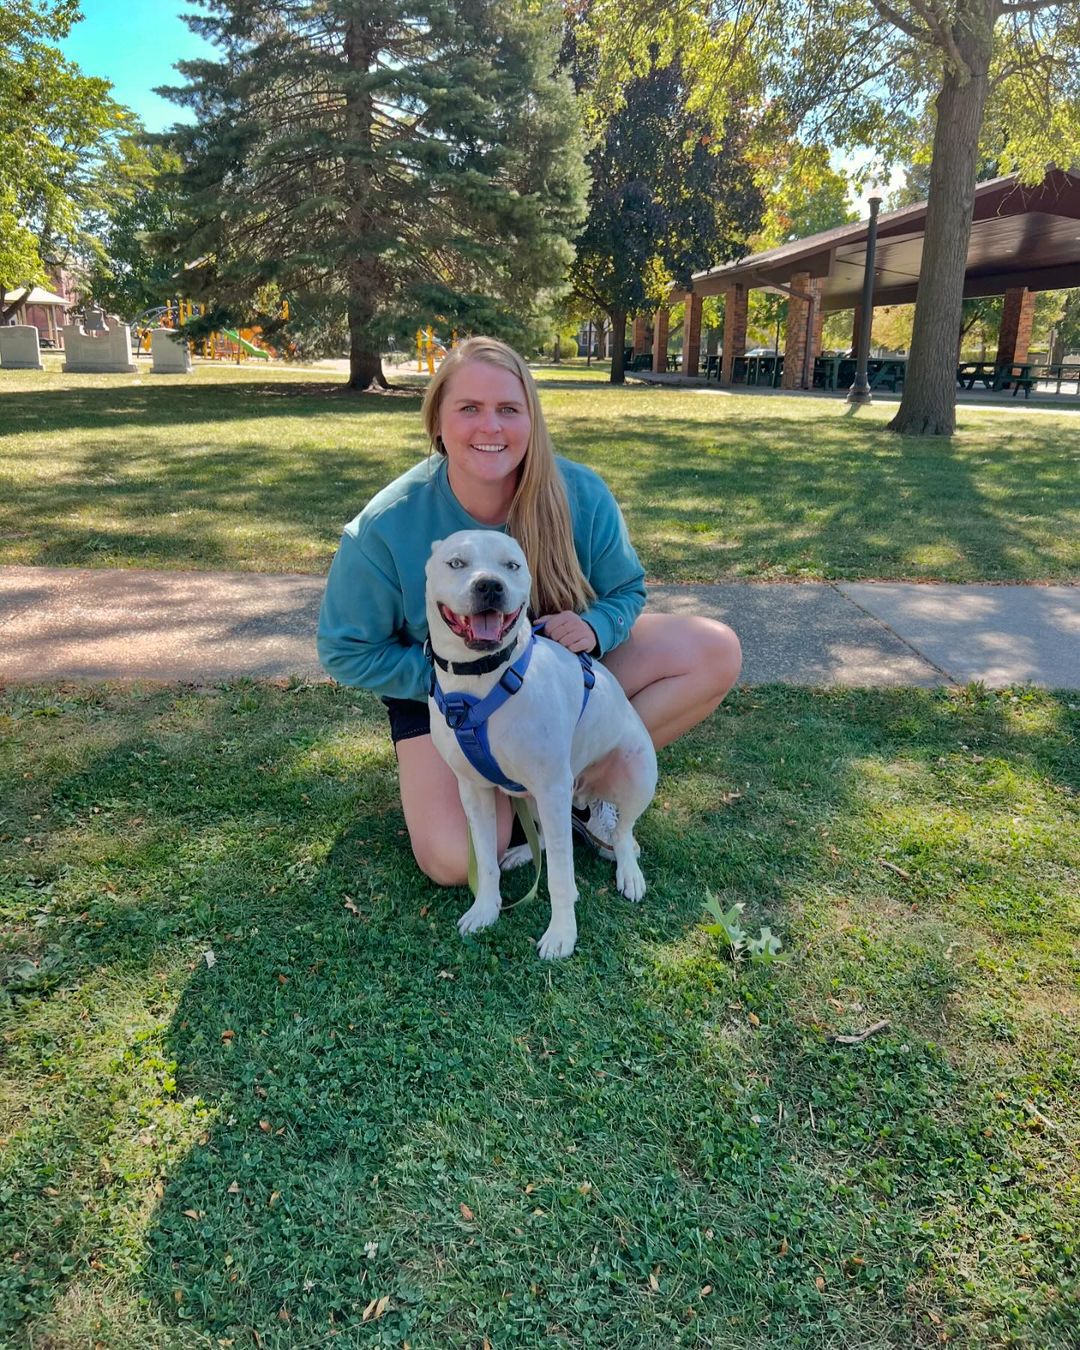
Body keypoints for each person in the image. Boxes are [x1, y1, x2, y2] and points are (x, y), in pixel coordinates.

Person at [317, 336, 741, 885]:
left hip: (560, 677)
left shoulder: (579, 494)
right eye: (468, 408)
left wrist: (594, 625)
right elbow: (344, 650)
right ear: (437, 422)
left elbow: (628, 590)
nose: (490, 427)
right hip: (449, 700)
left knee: (712, 650)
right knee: (456, 860)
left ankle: (577, 793)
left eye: (508, 409)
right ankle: (520, 794)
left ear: (531, 420)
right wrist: (453, 676)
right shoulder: (386, 526)